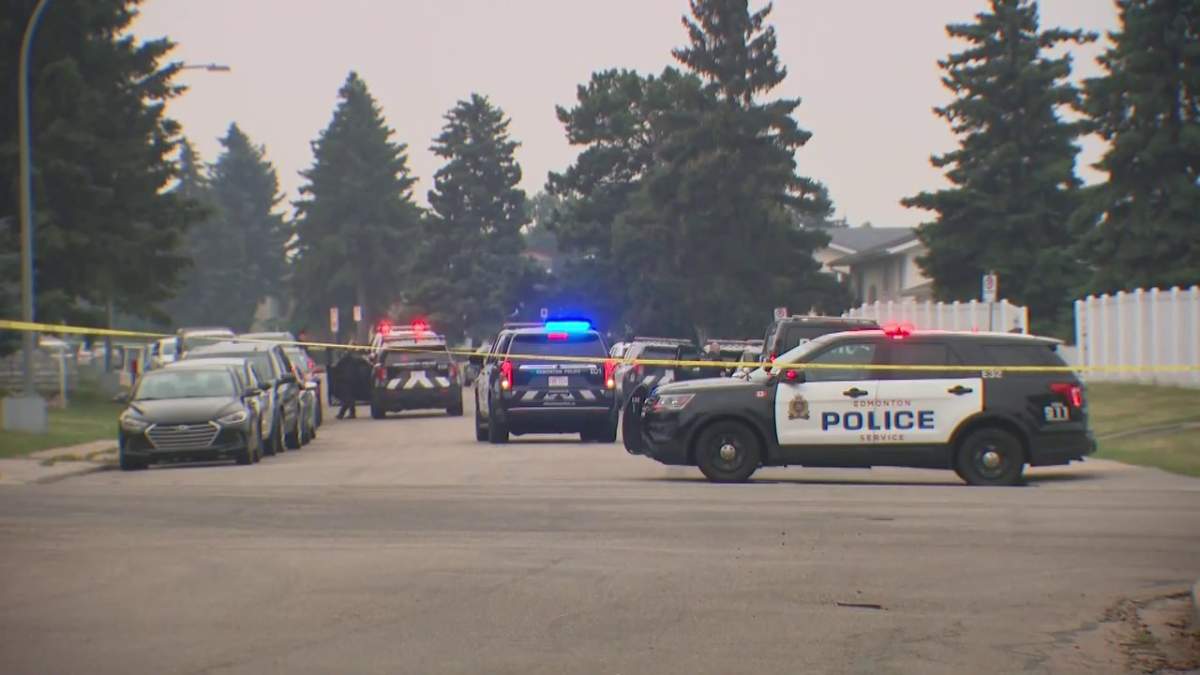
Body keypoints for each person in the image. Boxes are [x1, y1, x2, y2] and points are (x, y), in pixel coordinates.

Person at [331, 344, 368, 419]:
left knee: (348, 398)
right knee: (349, 398)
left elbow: (337, 368)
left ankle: (343, 414)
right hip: (352, 380)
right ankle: (350, 413)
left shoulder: (344, 360)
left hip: (345, 380)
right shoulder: (356, 359)